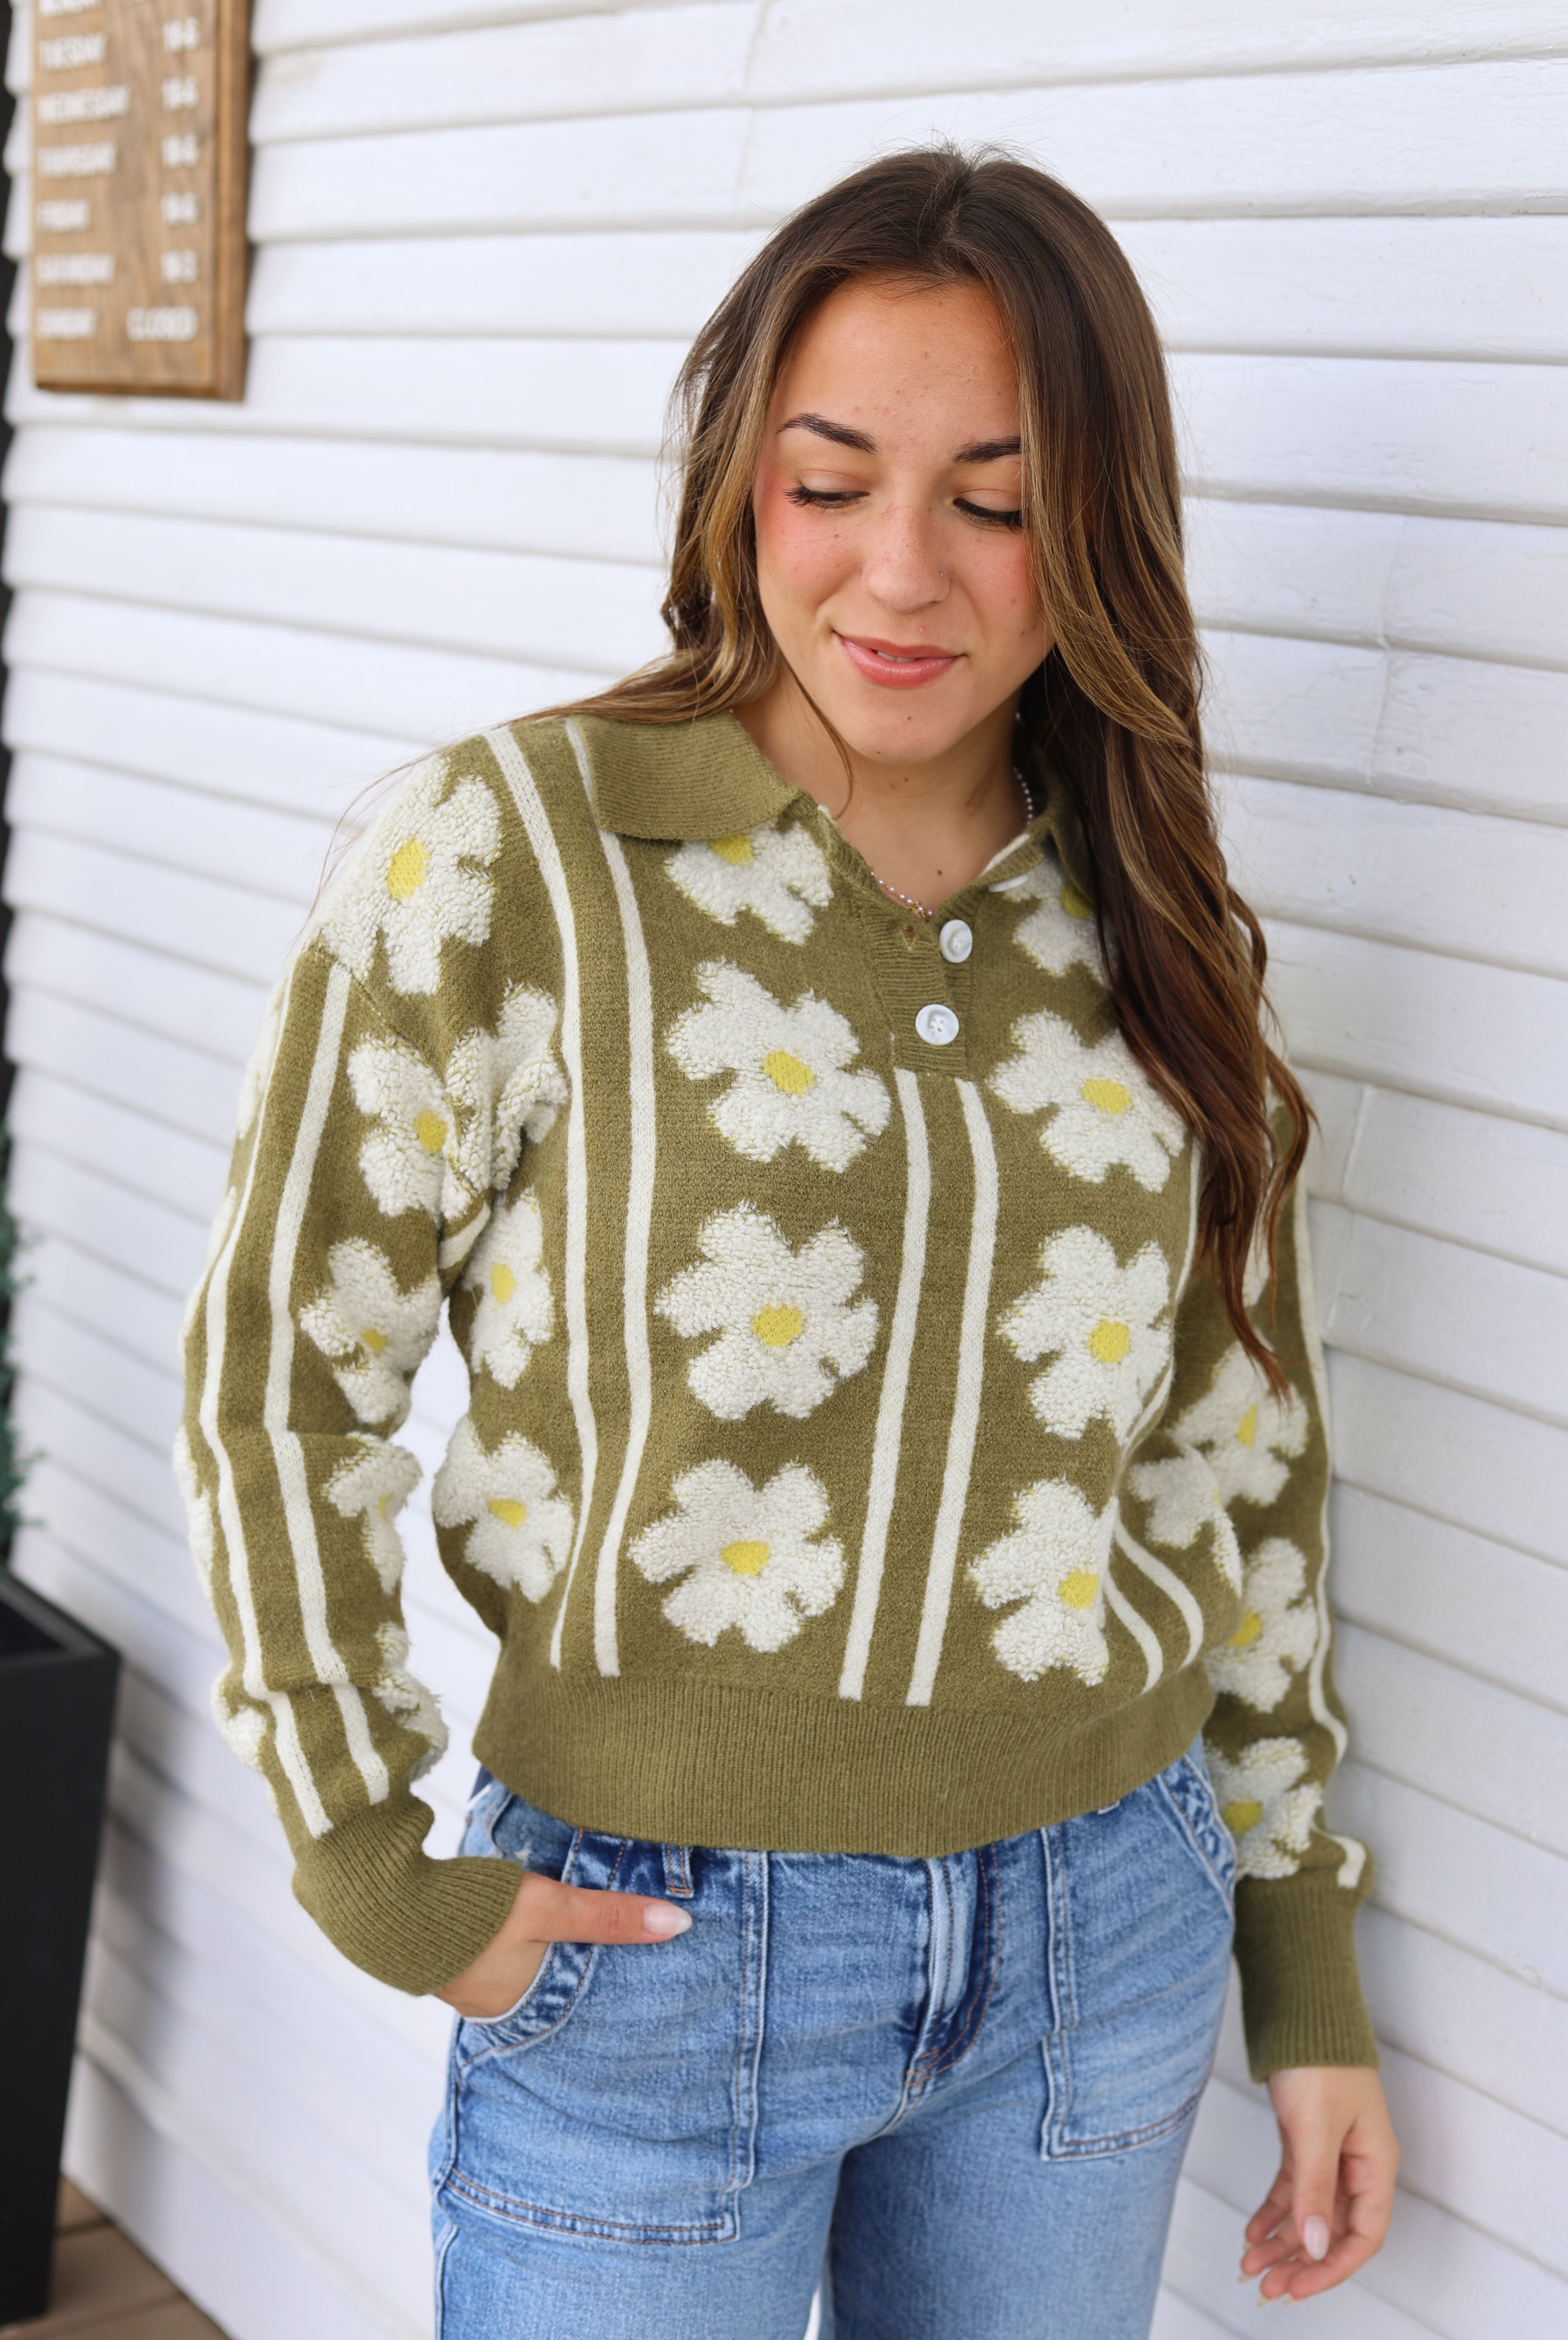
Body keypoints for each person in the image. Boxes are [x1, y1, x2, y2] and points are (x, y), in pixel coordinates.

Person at [178, 146, 1397, 2338]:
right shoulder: (515, 856)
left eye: (998, 502)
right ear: (740, 479)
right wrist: (370, 1852)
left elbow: (1243, 1454)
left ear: (1097, 534)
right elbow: (287, 1366)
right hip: (649, 1954)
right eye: (831, 481)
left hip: (1103, 1940)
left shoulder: (1158, 926)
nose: (899, 571)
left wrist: (1304, 1962)